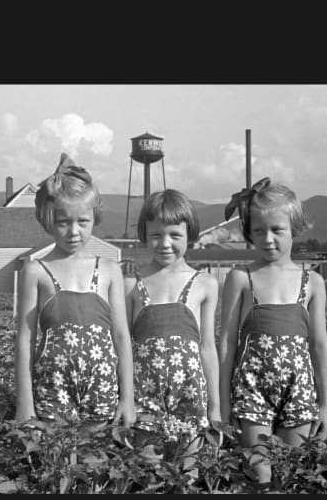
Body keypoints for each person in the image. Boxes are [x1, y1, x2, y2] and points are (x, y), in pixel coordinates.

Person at [218, 178, 327, 484]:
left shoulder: (312, 282)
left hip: (299, 391)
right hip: (251, 390)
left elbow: (319, 346)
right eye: (258, 231)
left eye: (277, 230)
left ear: (295, 228)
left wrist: (325, 404)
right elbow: (227, 342)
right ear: (248, 233)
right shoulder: (241, 278)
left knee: (288, 472)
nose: (267, 239)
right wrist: (224, 401)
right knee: (260, 471)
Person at [14, 153, 136, 432]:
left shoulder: (109, 269)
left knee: (96, 470)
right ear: (48, 220)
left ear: (95, 218)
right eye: (63, 222)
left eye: (82, 222)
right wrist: (25, 405)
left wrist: (127, 398)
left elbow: (121, 336)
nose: (73, 231)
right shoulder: (36, 271)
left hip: (102, 395)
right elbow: (25, 339)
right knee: (56, 470)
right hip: (51, 396)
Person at [124, 189, 221, 457]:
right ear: (144, 235)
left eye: (175, 235)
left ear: (190, 235)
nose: (165, 243)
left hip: (190, 397)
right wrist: (124, 399)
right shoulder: (131, 284)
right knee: (147, 473)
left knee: (186, 473)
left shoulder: (205, 284)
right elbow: (121, 346)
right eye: (156, 235)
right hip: (143, 399)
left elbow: (208, 349)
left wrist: (215, 407)